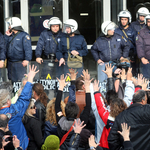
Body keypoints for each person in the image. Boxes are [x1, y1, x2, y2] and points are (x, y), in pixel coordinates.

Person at [0, 65, 39, 150]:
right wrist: (30, 79)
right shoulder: (14, 110)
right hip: (19, 145)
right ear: (8, 101)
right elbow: (24, 98)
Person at [55, 70, 92, 149]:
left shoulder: (61, 121)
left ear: (65, 111)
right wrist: (88, 87)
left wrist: (61, 87)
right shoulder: (80, 123)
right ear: (77, 112)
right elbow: (88, 106)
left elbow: (57, 106)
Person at [93, 79, 127, 150]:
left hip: (106, 146)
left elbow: (100, 106)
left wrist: (96, 91)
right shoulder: (127, 118)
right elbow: (130, 97)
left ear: (111, 107)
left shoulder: (108, 118)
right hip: (121, 146)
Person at [4, 17, 32, 82]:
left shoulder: (24, 35)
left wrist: (27, 59)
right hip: (10, 62)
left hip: (20, 63)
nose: (9, 26)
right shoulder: (10, 35)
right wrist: (6, 36)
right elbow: (4, 45)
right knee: (11, 80)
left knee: (21, 80)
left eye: (10, 25)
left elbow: (28, 48)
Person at [115, 10, 137, 76]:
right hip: (119, 57)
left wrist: (134, 56)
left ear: (128, 20)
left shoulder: (133, 31)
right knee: (119, 75)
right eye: (122, 19)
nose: (123, 21)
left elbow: (136, 44)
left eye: (125, 19)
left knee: (130, 75)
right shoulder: (116, 31)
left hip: (130, 57)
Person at [136, 14, 150, 79]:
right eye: (148, 21)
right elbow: (139, 46)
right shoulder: (141, 32)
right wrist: (142, 58)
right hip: (146, 61)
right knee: (145, 81)